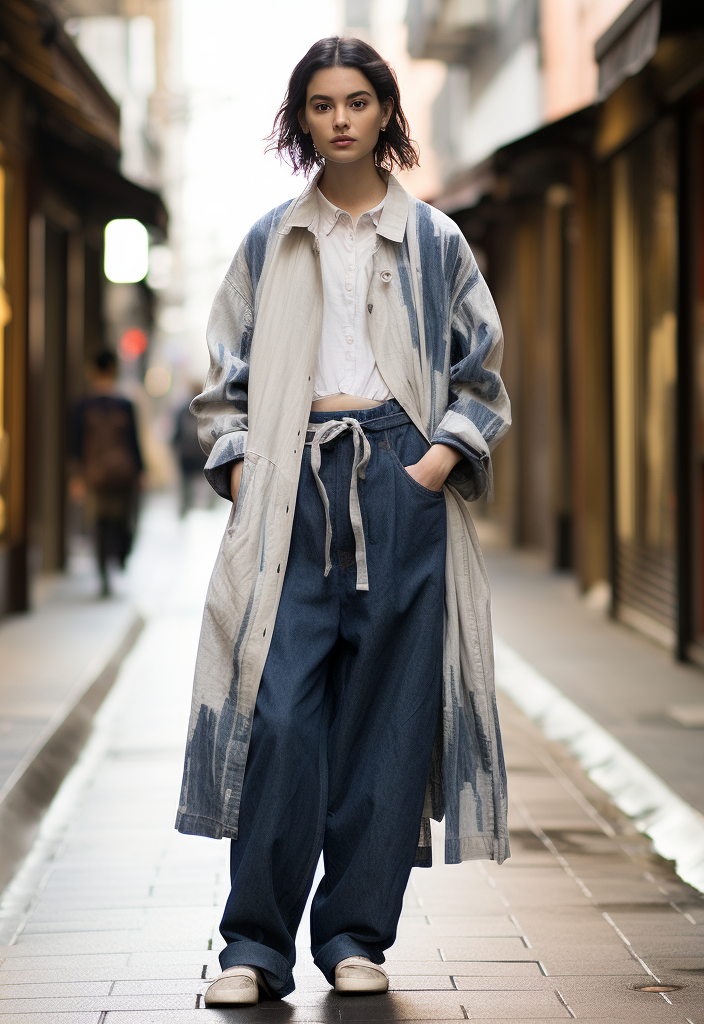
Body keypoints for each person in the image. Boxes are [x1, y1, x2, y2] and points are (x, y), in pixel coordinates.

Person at [176, 37, 512, 1006]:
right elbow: (223, 386)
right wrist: (243, 474)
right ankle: (254, 947)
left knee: (389, 722)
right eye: (321, 103)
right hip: (292, 488)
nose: (340, 119)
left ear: (383, 112)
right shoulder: (269, 238)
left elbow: (480, 375)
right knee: (279, 716)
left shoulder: (437, 241)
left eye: (356, 100)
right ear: (302, 120)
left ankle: (357, 934)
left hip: (399, 487)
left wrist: (430, 465)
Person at [69, 350, 144, 597]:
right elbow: (134, 443)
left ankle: (103, 574)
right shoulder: (124, 405)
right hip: (124, 475)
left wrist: (77, 477)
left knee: (99, 523)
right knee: (122, 521)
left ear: (92, 371)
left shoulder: (83, 406)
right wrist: (140, 473)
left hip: (94, 476)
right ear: (114, 369)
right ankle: (118, 561)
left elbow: (76, 445)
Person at [172, 388, 210, 517]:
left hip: (186, 455)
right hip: (202, 454)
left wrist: (176, 448)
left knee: (186, 486)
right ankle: (205, 511)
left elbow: (176, 434)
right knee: (204, 485)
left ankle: (184, 511)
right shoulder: (208, 409)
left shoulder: (183, 409)